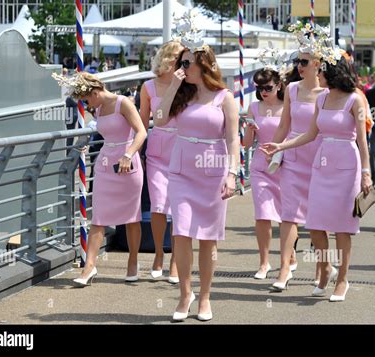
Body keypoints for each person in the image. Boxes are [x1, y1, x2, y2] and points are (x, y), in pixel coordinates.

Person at [262, 54, 372, 302]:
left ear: (332, 74)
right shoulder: (321, 98)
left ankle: (342, 279)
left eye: (321, 71)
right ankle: (325, 269)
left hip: (347, 166)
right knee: (315, 224)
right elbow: (310, 134)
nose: (317, 75)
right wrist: (281, 147)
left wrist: (366, 174)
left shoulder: (355, 100)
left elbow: (363, 143)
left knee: (342, 228)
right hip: (321, 166)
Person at [155, 34, 239, 321]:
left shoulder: (225, 97)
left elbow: (233, 139)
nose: (183, 67)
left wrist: (232, 174)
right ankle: (184, 294)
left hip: (213, 173)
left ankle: (204, 297)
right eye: (181, 62)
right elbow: (158, 119)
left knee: (207, 239)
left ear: (204, 64)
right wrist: (174, 84)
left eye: (187, 63)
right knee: (180, 232)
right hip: (181, 172)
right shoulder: (181, 94)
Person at [52, 72, 147, 286]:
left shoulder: (124, 103)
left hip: (127, 163)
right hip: (105, 163)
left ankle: (133, 262)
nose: (87, 104)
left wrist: (128, 154)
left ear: (95, 92)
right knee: (99, 217)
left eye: (87, 99)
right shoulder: (98, 107)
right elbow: (100, 130)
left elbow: (141, 132)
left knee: (132, 217)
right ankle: (89, 267)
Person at [268, 47, 326, 290]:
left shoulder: (328, 92)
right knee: (289, 215)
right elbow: (283, 125)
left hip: (319, 159)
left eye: (304, 61)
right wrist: (274, 150)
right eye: (297, 61)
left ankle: (322, 268)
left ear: (318, 63)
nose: (299, 66)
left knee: (317, 218)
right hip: (292, 156)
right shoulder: (291, 89)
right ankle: (284, 268)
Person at [140, 40, 184, 283]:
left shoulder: (189, 86)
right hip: (158, 150)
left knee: (179, 207)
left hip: (182, 149)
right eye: (179, 59)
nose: (182, 64)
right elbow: (144, 122)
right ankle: (159, 253)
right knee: (158, 206)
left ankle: (176, 261)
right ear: (167, 59)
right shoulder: (148, 87)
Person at [243, 66, 284, 280]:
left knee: (286, 216)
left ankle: (290, 257)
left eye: (268, 87)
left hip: (284, 165)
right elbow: (246, 144)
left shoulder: (288, 107)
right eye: (259, 88)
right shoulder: (254, 107)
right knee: (263, 215)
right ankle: (264, 262)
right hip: (260, 167)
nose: (264, 92)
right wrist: (250, 129)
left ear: (279, 85)